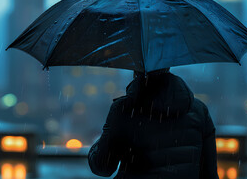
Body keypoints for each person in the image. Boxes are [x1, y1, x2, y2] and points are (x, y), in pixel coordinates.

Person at [88, 68, 219, 179]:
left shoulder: (124, 109)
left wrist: (96, 147)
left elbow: (103, 167)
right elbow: (210, 173)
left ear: (136, 69)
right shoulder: (199, 110)